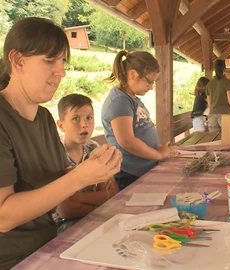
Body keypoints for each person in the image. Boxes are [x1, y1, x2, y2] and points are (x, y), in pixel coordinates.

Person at [0, 17, 121, 269]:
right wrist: (79, 178)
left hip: (50, 244)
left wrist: (96, 168)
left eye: (62, 62)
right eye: (49, 61)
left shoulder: (43, 117)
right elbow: (4, 216)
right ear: (17, 61)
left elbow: (61, 187)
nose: (62, 72)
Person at [101, 50, 173, 191]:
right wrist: (158, 154)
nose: (151, 87)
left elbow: (141, 130)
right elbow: (127, 141)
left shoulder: (131, 99)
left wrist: (158, 148)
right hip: (130, 172)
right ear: (133, 74)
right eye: (149, 81)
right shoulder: (120, 101)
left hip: (142, 169)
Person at [55, 94, 119, 234]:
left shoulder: (93, 147)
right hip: (62, 226)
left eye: (89, 118)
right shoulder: (56, 153)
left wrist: (76, 197)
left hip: (91, 216)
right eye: (75, 119)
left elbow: (112, 193)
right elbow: (66, 210)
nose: (84, 124)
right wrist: (101, 207)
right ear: (61, 125)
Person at [206, 59, 230, 132]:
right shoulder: (228, 82)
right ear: (225, 69)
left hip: (212, 114)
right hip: (225, 114)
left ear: (214, 69)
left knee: (214, 140)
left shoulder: (209, 84)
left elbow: (209, 104)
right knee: (227, 138)